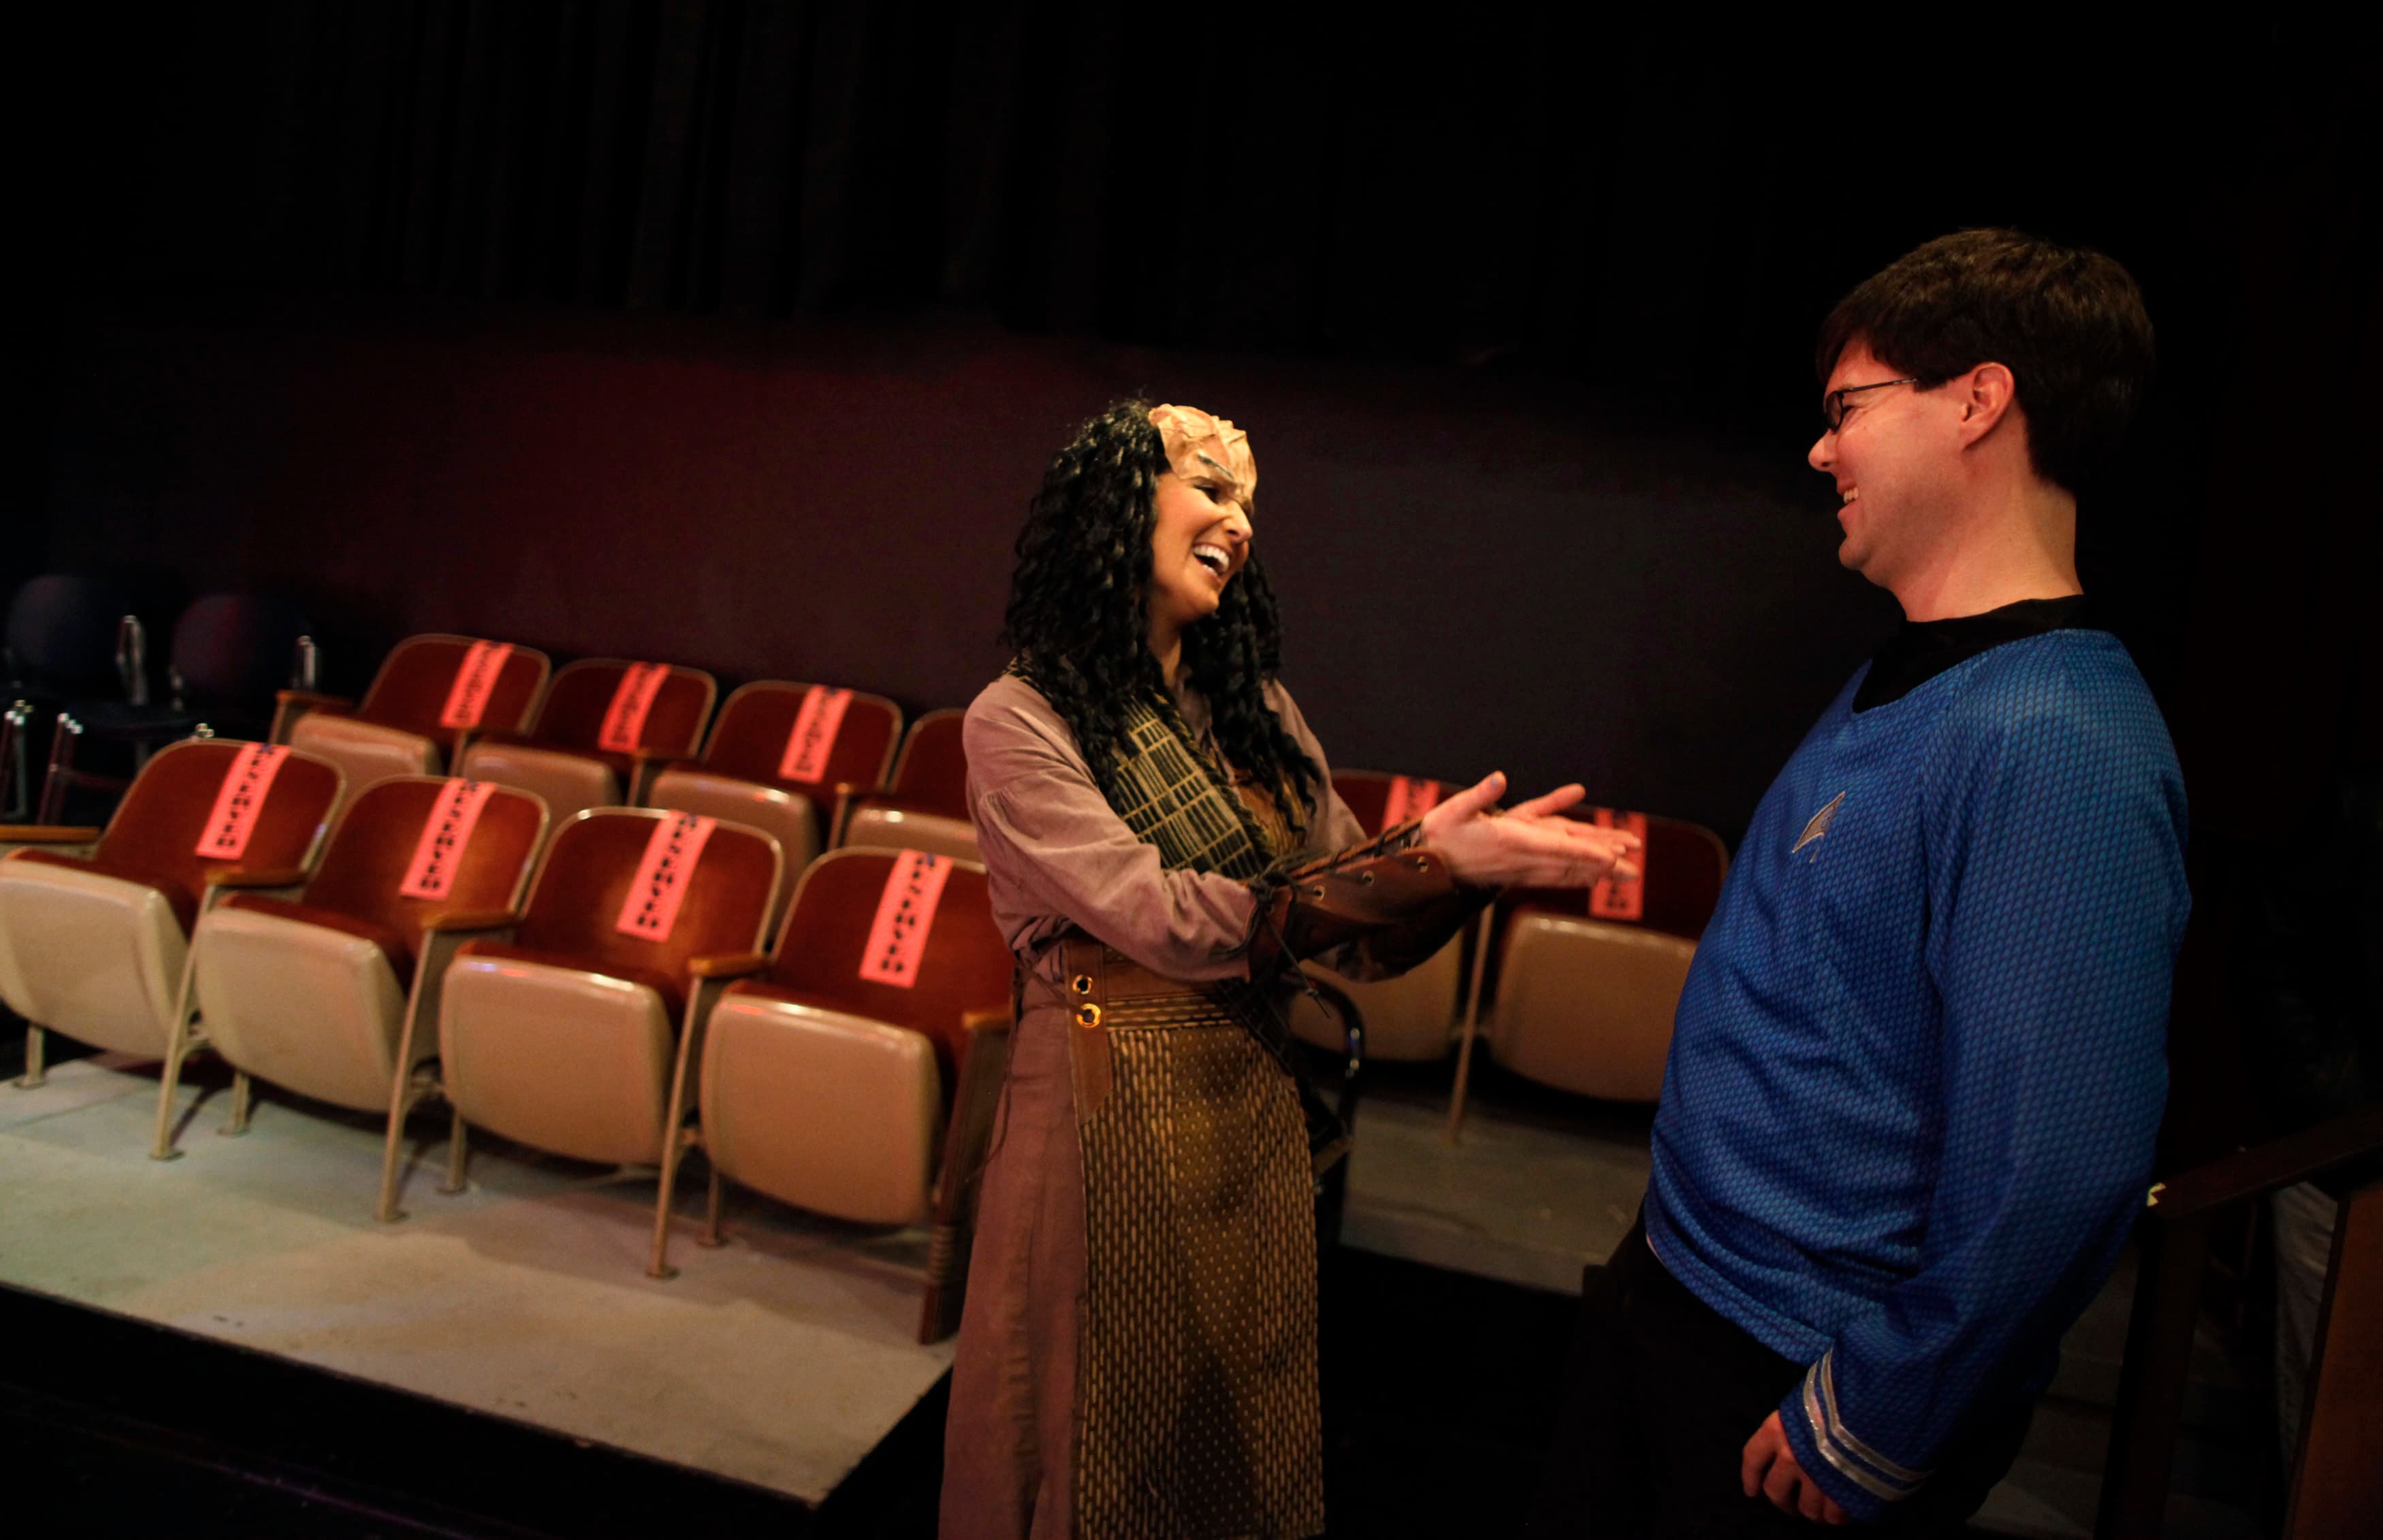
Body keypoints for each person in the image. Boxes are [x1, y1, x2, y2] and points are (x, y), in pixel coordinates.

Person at [1531, 229, 2192, 1535]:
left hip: (1791, 1384)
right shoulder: (1920, 674)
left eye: (1849, 409)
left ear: (1978, 401)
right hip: (1682, 1298)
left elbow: (2061, 1162)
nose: (1824, 450)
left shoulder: (2056, 738)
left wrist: (1887, 1406)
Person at [940, 400, 1640, 1540]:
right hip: (1095, 1114)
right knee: (1082, 1429)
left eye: (1250, 504)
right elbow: (1164, 919)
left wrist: (1457, 876)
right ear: (1121, 504)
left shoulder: (1257, 716)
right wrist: (1407, 863)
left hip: (1246, 1117)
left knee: (1225, 1431)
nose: (1239, 521)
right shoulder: (1018, 720)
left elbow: (1356, 939)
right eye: (1212, 488)